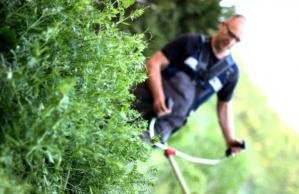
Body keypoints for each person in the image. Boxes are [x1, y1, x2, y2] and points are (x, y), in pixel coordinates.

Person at [131, 15, 247, 155]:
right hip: (140, 100)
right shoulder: (191, 42)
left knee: (128, 150)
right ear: (222, 25)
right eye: (231, 34)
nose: (231, 41)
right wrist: (158, 97)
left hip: (165, 124)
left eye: (237, 40)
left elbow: (224, 106)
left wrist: (229, 139)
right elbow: (153, 64)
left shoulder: (230, 73)